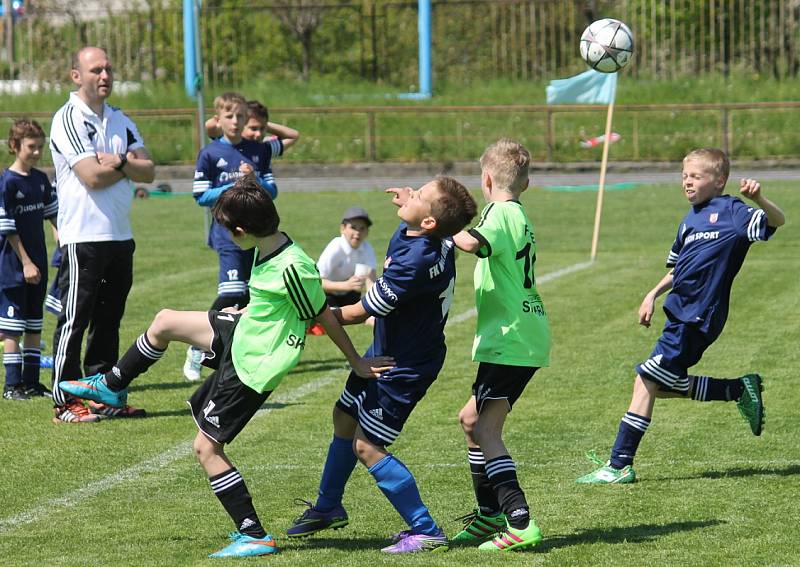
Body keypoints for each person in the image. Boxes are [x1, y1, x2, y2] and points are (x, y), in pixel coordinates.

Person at [58, 177, 393, 558]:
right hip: (246, 331)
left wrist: (357, 361)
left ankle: (254, 534)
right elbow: (275, 305)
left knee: (206, 448)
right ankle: (112, 386)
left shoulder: (294, 266)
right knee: (165, 320)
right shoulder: (269, 247)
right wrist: (245, 310)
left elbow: (319, 316)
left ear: (241, 230)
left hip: (255, 361)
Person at [286, 176, 478, 554]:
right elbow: (426, 225)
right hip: (390, 349)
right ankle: (328, 507)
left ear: (429, 223)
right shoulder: (426, 237)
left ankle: (426, 529)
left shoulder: (415, 260)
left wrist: (309, 316)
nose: (409, 192)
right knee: (344, 417)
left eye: (420, 194)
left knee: (367, 444)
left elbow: (358, 313)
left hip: (402, 364)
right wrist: (416, 203)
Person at [576, 148, 785, 485]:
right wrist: (651, 294)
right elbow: (678, 268)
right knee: (662, 384)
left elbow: (777, 222)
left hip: (699, 317)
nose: (688, 182)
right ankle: (737, 389)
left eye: (696, 176)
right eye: (684, 176)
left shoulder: (733, 211)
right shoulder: (689, 220)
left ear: (719, 181)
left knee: (645, 381)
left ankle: (619, 465)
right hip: (679, 314)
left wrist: (760, 198)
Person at [449, 139, 550, 552]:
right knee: (471, 421)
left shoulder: (502, 213)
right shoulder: (515, 211)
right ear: (525, 183)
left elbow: (473, 243)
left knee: (486, 429)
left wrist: (433, 225)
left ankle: (519, 520)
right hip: (517, 336)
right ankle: (489, 515)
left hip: (513, 338)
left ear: (486, 179)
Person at [48, 46, 155, 423]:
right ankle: (64, 400)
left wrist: (122, 162)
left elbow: (150, 170)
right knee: (75, 319)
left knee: (109, 320)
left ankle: (104, 394)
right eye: (96, 70)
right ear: (77, 75)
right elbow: (91, 177)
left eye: (108, 68)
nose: (105, 75)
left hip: (120, 235)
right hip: (82, 236)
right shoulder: (68, 118)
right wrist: (128, 166)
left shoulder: (120, 120)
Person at [184, 93, 291, 382]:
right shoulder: (209, 154)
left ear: (247, 120)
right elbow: (200, 195)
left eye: (240, 117)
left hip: (255, 235)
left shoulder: (259, 151)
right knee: (232, 291)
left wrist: (255, 181)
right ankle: (197, 344)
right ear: (217, 120)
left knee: (247, 295)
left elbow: (273, 191)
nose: (235, 121)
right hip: (227, 234)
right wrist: (234, 185)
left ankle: (230, 351)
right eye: (229, 116)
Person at [0, 119, 58, 400]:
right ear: (15, 146)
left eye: (40, 147)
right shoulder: (7, 182)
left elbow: (52, 213)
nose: (36, 153)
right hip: (14, 266)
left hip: (38, 262)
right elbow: (7, 227)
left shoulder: (40, 179)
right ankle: (12, 386)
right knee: (13, 329)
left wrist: (61, 237)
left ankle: (32, 382)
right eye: (31, 147)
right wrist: (25, 262)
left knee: (35, 325)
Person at [308, 206, 377, 336]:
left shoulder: (367, 249)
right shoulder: (335, 247)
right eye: (353, 227)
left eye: (362, 229)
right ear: (343, 229)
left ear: (367, 232)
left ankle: (365, 317)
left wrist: (373, 306)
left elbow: (371, 278)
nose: (358, 232)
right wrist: (344, 285)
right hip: (327, 295)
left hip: (350, 295)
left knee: (364, 311)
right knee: (329, 313)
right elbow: (316, 282)